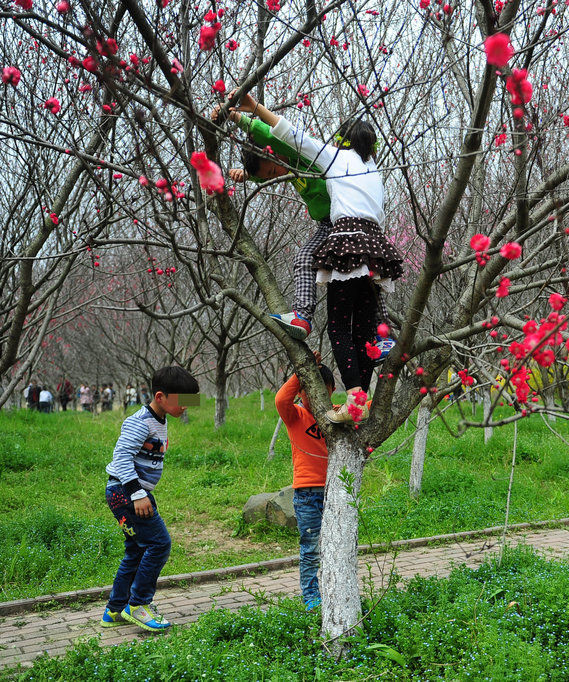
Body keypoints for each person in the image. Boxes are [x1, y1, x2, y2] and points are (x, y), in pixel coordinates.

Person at [216, 93, 396, 363]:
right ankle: (303, 316)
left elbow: (279, 133)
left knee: (371, 280)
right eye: (266, 177)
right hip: (331, 226)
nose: (273, 176)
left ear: (272, 152)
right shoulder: (289, 166)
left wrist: (240, 117)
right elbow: (267, 161)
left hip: (348, 224)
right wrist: (248, 175)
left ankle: (384, 337)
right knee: (307, 259)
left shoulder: (312, 157)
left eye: (269, 171)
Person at [100, 366, 199, 632]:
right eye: (182, 401)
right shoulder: (140, 421)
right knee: (159, 544)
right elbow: (120, 458)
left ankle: (115, 609)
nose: (186, 407)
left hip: (132, 492)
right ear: (160, 396)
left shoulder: (160, 420)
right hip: (126, 492)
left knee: (136, 550)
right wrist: (137, 493)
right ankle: (138, 604)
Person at [275, 353, 336, 610]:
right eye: (309, 392)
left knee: (335, 545)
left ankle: (334, 588)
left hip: (334, 490)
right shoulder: (296, 416)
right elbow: (280, 399)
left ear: (332, 391)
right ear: (301, 393)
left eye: (325, 392)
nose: (316, 398)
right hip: (307, 494)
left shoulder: (335, 416)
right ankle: (311, 597)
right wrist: (300, 371)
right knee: (310, 549)